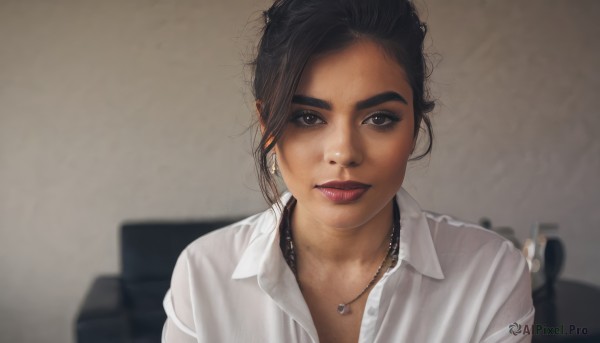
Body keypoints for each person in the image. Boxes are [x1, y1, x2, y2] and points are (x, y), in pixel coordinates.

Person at [162, 0, 535, 342]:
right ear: (268, 127)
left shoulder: (491, 274)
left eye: (379, 118)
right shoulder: (202, 275)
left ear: (415, 125)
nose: (343, 152)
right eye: (307, 117)